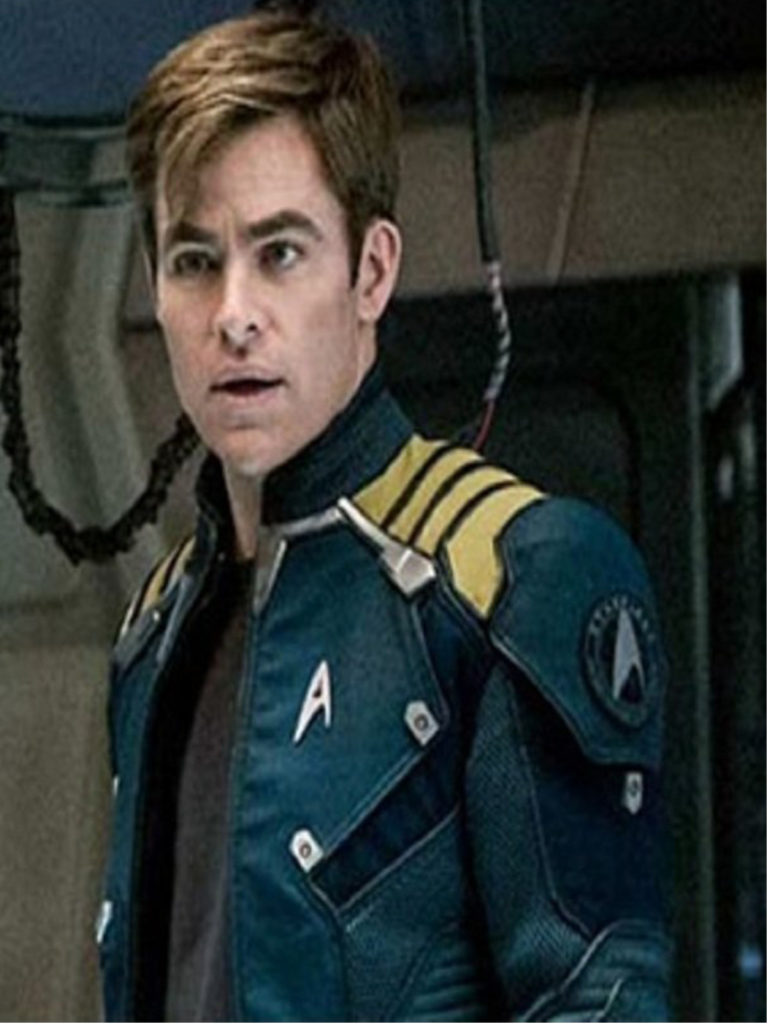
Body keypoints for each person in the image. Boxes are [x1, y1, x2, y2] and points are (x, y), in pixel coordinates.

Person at [100, 7, 670, 1021]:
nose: (233, 314)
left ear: (371, 271)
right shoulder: (155, 632)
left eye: (280, 253)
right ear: (156, 283)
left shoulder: (508, 583)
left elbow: (599, 1001)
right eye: (194, 261)